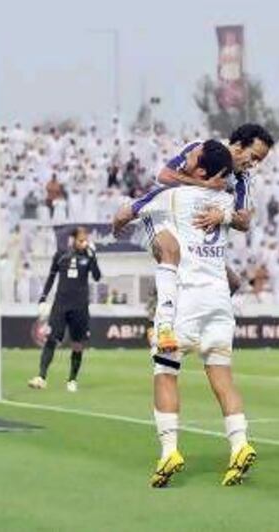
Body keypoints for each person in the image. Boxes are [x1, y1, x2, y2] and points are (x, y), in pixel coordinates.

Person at [114, 140, 256, 488]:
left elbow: (122, 214)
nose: (185, 158)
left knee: (165, 372)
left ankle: (169, 451)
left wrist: (119, 225)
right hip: (220, 302)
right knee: (222, 376)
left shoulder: (170, 196)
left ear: (201, 171)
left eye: (191, 157)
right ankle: (239, 445)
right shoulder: (225, 202)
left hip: (186, 301)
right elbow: (242, 219)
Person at [113, 124, 274, 355]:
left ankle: (183, 323)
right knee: (171, 252)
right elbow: (164, 176)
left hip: (193, 230)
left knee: (233, 282)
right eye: (254, 157)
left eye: (260, 161)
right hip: (163, 214)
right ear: (239, 146)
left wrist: (224, 215)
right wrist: (204, 184)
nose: (254, 164)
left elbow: (244, 221)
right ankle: (162, 326)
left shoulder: (242, 179)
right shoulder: (201, 150)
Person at [28, 226, 101, 392]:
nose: (84, 243)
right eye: (81, 240)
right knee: (51, 338)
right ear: (73, 240)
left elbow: (97, 277)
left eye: (86, 240)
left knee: (77, 344)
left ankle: (72, 380)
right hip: (60, 305)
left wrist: (93, 257)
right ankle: (41, 377)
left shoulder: (88, 256)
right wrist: (43, 297)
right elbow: (51, 277)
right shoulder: (61, 255)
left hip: (80, 307)